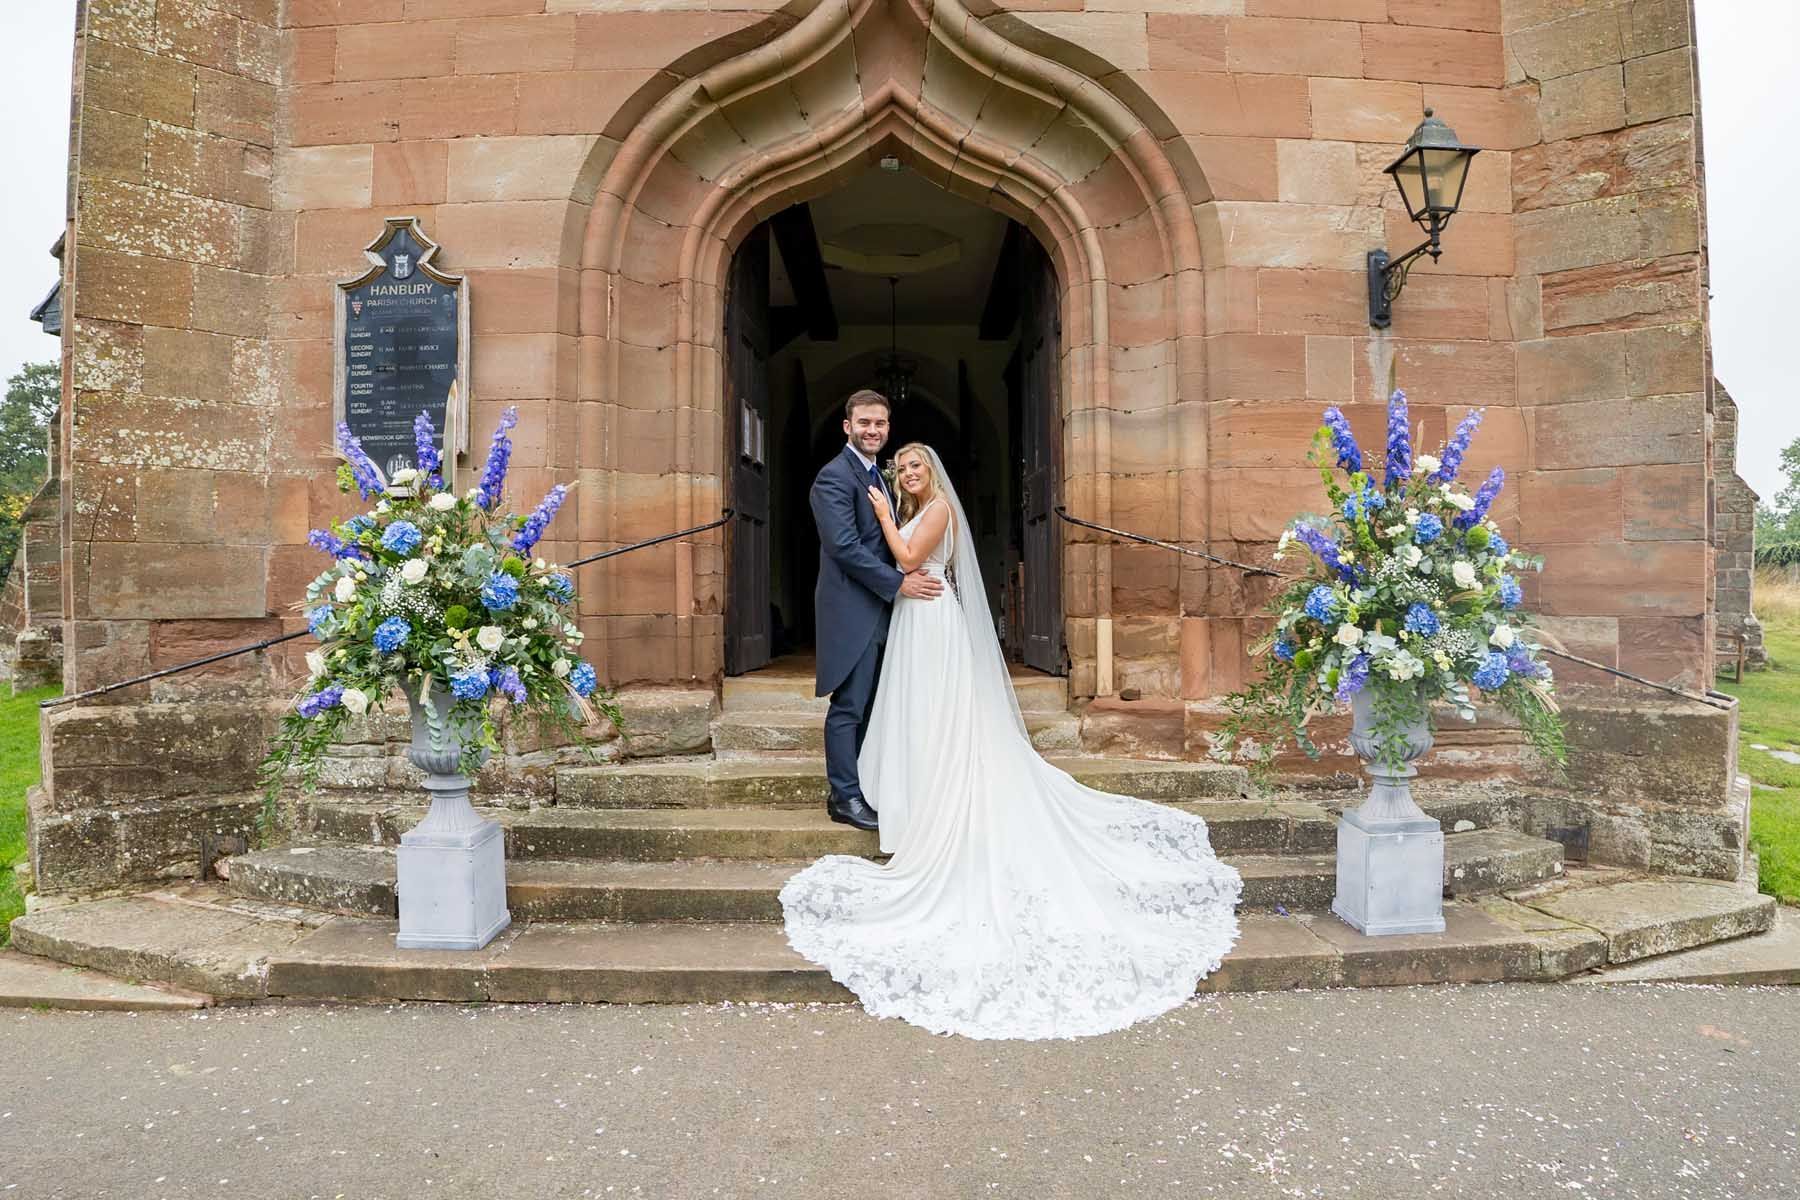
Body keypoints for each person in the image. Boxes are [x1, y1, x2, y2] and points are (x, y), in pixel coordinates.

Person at [781, 442, 1243, 1041]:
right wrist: (890, 522)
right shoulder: (907, 504)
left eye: (917, 465)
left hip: (929, 616)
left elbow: (908, 556)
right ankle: (913, 795)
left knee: (936, 711)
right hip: (913, 617)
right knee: (916, 712)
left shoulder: (937, 509)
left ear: (932, 471)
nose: (909, 473)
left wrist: (885, 518)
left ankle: (941, 800)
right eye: (903, 467)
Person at [807, 389, 943, 831]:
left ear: (888, 428)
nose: (872, 430)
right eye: (864, 423)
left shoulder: (878, 476)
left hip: (884, 609)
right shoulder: (834, 477)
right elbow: (844, 547)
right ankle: (844, 797)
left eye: (880, 423)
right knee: (849, 705)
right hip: (852, 609)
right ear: (847, 426)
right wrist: (899, 582)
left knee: (874, 704)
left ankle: (866, 785)